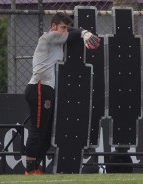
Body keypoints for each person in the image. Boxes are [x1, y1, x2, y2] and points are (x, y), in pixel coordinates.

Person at [24, 12, 100, 175]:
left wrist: (83, 32)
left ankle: (36, 167)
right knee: (37, 130)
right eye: (63, 27)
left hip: (47, 89)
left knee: (46, 131)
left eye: (67, 27)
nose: (66, 30)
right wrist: (83, 32)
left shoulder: (58, 40)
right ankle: (29, 169)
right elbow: (73, 35)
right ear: (53, 27)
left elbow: (72, 32)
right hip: (38, 86)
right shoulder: (48, 38)